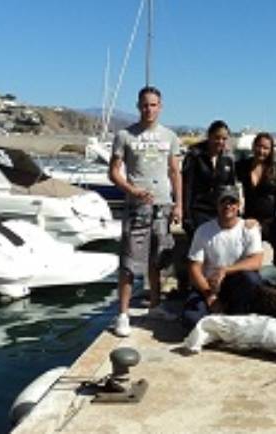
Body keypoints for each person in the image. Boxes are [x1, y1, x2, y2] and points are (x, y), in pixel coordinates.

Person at [108, 85, 182, 337]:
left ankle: (155, 305)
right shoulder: (125, 136)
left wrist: (178, 203)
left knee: (157, 259)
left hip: (162, 204)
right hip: (136, 206)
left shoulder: (170, 137)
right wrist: (132, 189)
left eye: (153, 104)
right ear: (138, 106)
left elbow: (174, 172)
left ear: (160, 107)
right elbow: (114, 172)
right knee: (129, 261)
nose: (149, 109)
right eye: (145, 104)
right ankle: (123, 314)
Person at [182, 185, 264, 329]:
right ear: (217, 205)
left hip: (234, 286)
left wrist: (225, 270)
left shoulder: (249, 228)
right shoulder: (203, 230)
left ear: (239, 205)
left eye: (232, 202)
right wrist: (209, 295)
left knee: (252, 279)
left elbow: (256, 261)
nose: (228, 206)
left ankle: (237, 315)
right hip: (209, 287)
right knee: (191, 320)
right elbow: (194, 267)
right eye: (223, 202)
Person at [181, 120, 236, 239]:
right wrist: (186, 215)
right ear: (209, 136)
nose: (220, 142)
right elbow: (187, 187)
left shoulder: (228, 160)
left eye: (224, 138)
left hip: (219, 213)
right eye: (217, 137)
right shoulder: (194, 156)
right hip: (198, 212)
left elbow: (231, 189)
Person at [235, 132, 276, 238]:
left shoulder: (274, 171)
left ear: (271, 150)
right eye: (259, 146)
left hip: (268, 223)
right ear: (253, 146)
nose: (261, 151)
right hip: (246, 221)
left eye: (266, 148)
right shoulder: (241, 167)